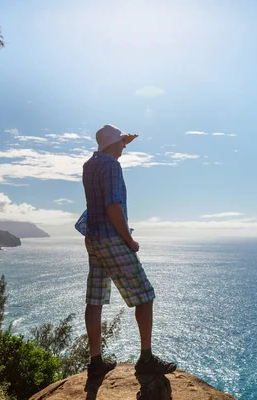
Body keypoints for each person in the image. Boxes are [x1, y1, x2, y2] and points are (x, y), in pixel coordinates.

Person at [82, 124, 177, 377]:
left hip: (93, 238)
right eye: (121, 145)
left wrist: (123, 140)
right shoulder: (112, 166)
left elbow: (111, 146)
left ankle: (95, 361)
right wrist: (129, 241)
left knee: (95, 298)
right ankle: (146, 359)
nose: (123, 149)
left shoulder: (90, 164)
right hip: (113, 238)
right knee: (145, 296)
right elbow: (113, 205)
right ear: (113, 145)